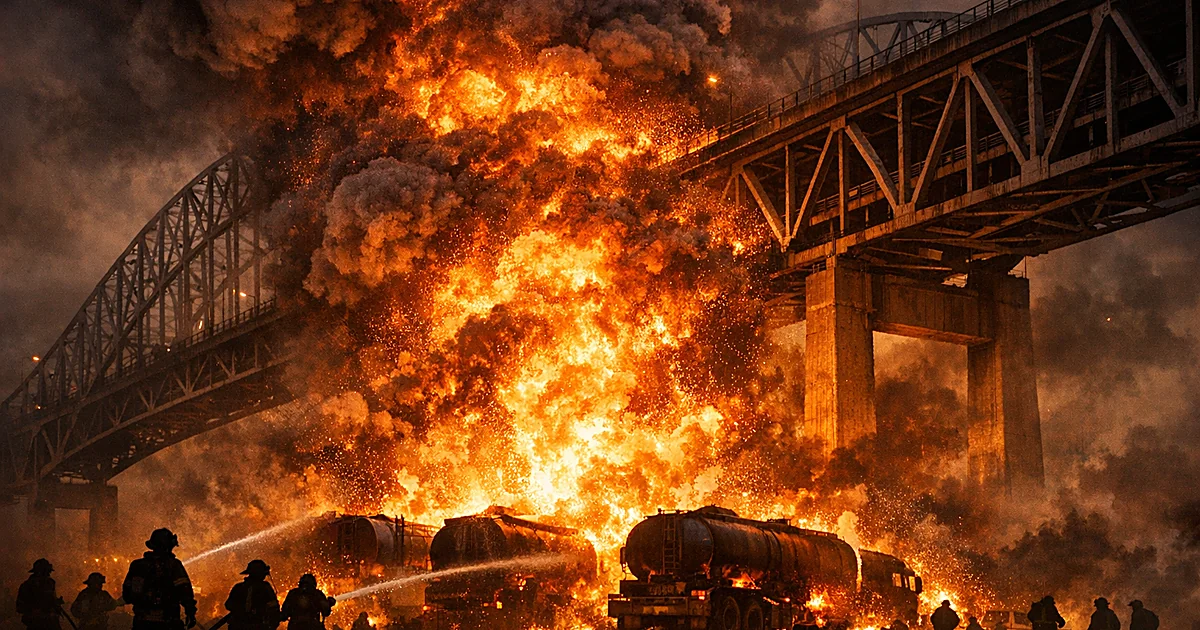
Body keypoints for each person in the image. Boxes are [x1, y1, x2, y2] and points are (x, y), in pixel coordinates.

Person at [122, 528, 197, 630]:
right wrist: (190, 613)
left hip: (142, 623)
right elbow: (185, 591)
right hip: (168, 624)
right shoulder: (174, 565)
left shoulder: (137, 565)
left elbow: (127, 595)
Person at [224, 560, 280, 630]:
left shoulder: (238, 587)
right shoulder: (265, 588)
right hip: (257, 625)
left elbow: (228, 605)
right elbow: (274, 609)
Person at [16, 559, 63, 630]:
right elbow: (20, 607)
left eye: (48, 572)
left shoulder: (50, 583)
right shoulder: (27, 586)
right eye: (46, 572)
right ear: (39, 572)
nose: (48, 575)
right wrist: (35, 611)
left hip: (51, 624)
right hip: (36, 624)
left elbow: (51, 601)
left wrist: (56, 604)